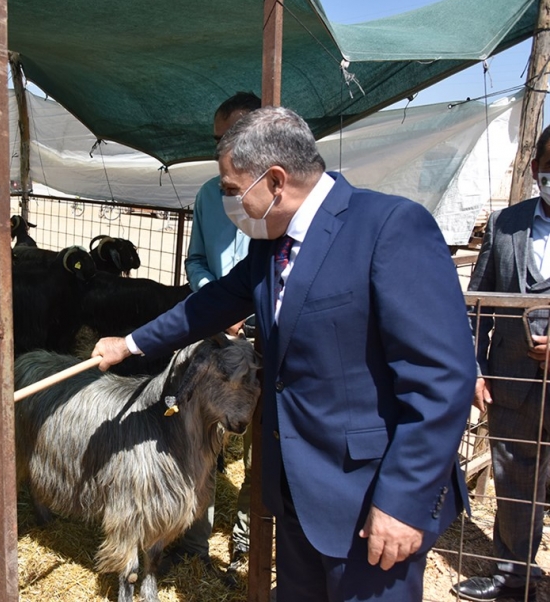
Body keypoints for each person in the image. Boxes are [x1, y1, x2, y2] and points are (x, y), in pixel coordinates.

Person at [92, 106, 476, 600]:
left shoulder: (388, 228)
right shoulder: (271, 245)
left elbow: (440, 380)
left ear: (274, 181)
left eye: (231, 189)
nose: (227, 202)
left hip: (369, 499)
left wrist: (402, 501)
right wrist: (129, 343)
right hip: (296, 492)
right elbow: (210, 305)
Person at [453, 124, 550, 602]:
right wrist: (474, 371)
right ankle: (513, 577)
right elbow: (476, 308)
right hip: (511, 383)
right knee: (514, 483)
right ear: (535, 169)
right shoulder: (504, 224)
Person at [168, 91, 260, 571]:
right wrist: (216, 301)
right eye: (218, 139)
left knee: (260, 448)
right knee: (201, 439)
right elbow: (197, 260)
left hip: (264, 339)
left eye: (234, 135)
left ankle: (248, 539)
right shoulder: (209, 195)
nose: (223, 146)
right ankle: (194, 545)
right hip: (219, 338)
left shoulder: (279, 196)